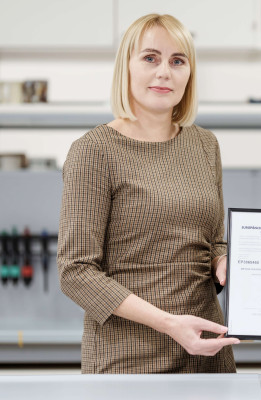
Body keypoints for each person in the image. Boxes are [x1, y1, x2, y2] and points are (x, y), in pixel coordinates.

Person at [57, 14, 239, 373]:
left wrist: (225, 262)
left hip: (206, 351)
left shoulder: (205, 145)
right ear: (126, 66)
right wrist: (169, 324)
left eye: (177, 61)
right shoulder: (94, 151)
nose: (164, 72)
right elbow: (75, 271)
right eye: (150, 58)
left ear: (190, 73)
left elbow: (213, 241)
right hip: (128, 359)